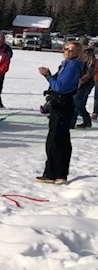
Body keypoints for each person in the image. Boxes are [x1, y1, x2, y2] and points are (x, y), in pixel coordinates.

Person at [36, 41, 84, 183]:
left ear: (77, 53)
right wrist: (50, 75)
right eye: (66, 48)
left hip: (62, 104)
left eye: (71, 50)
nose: (67, 51)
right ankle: (60, 173)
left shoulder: (73, 66)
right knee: (62, 140)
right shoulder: (66, 64)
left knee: (55, 141)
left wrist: (48, 77)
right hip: (61, 104)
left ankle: (51, 174)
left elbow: (60, 87)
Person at [71, 38, 97, 129]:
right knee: (75, 101)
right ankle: (72, 121)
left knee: (78, 102)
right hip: (78, 81)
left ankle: (86, 121)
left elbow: (90, 71)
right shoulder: (80, 55)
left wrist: (82, 80)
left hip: (86, 82)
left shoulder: (90, 56)